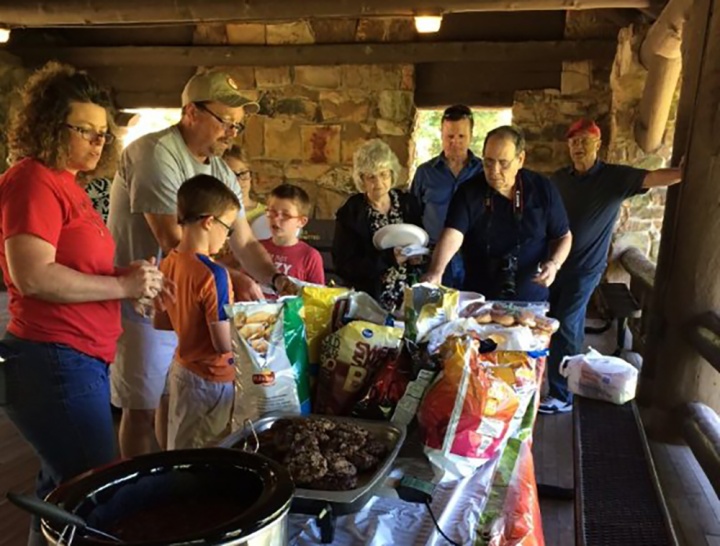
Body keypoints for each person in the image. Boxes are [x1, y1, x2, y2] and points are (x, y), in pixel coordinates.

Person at [0, 62, 164, 546]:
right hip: (53, 360)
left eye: (102, 132)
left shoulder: (68, 184)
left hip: (77, 359)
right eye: (85, 130)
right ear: (51, 125)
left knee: (61, 492)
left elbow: (79, 267)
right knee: (100, 492)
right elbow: (33, 276)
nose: (98, 141)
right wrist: (122, 288)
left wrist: (132, 278)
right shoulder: (32, 180)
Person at [107, 70, 289, 458]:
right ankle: (143, 499)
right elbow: (174, 241)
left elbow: (242, 239)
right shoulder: (156, 154)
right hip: (145, 300)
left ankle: (167, 481)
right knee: (140, 408)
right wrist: (230, 279)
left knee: (173, 402)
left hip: (183, 303)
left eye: (237, 126)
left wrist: (276, 278)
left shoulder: (219, 169)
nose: (231, 134)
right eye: (225, 122)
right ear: (191, 112)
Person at [540, 119, 683, 414]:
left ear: (598, 143)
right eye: (573, 141)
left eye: (584, 140)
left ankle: (561, 395)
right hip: (555, 264)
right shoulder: (558, 180)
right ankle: (572, 379)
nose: (578, 147)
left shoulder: (614, 178)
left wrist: (683, 172)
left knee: (566, 323)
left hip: (586, 268)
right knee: (557, 322)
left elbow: (656, 177)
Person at [424, 125, 572, 302]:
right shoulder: (469, 191)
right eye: (488, 162)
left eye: (503, 163)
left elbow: (564, 236)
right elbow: (453, 234)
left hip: (530, 295)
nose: (494, 171)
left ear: (520, 159)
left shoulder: (542, 188)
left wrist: (554, 264)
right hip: (479, 298)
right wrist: (436, 271)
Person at [153, 175, 239, 449]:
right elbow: (223, 344)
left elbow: (162, 321)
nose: (227, 238)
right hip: (212, 378)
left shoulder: (169, 262)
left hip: (182, 369)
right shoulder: (214, 274)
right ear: (209, 221)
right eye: (228, 228)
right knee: (208, 454)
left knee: (181, 445)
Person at [332, 139, 423, 311]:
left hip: (408, 297)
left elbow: (420, 240)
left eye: (384, 174)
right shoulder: (352, 211)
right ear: (361, 179)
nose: (379, 183)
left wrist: (417, 258)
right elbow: (343, 265)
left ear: (392, 174)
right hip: (368, 300)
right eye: (371, 177)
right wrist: (389, 258)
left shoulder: (408, 204)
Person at [411, 104, 483, 288]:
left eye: (461, 136)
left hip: (474, 256)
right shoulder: (425, 173)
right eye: (449, 136)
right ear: (441, 135)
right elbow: (413, 214)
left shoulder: (483, 172)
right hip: (433, 256)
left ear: (471, 136)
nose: (455, 142)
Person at [260, 184, 325, 286]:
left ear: (301, 221)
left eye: (285, 215)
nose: (276, 219)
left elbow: (317, 295)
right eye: (272, 212)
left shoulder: (310, 256)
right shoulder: (256, 249)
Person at [223, 145, 265, 225]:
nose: (238, 181)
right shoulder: (218, 214)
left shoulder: (265, 213)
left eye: (243, 173)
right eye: (232, 175)